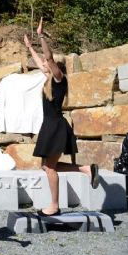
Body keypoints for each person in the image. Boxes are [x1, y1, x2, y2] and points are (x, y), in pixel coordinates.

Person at [24, 18, 99, 217]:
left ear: (57, 67)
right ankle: (85, 169)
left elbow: (47, 58)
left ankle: (54, 206)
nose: (46, 65)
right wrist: (30, 46)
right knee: (47, 166)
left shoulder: (59, 79)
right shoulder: (48, 78)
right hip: (50, 125)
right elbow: (41, 61)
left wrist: (41, 36)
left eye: (51, 64)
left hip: (56, 126)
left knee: (49, 167)